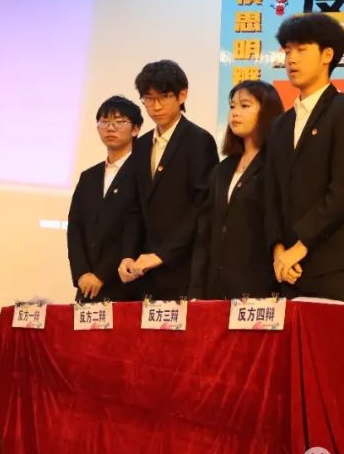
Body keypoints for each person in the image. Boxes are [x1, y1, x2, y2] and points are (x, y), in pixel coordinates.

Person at [263, 13, 344, 305]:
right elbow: (271, 194)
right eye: (287, 51)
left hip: (339, 268)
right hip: (289, 271)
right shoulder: (280, 125)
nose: (291, 59)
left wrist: (300, 246)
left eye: (301, 50)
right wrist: (279, 250)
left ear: (327, 55)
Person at [120, 60, 218, 300]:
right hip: (143, 271)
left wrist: (162, 254)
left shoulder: (199, 141)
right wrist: (127, 255)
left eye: (164, 97)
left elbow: (202, 207)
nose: (156, 106)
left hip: (182, 267)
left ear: (182, 95)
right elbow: (134, 207)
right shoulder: (141, 145)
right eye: (148, 98)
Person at [189, 80, 283, 300]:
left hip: (259, 289)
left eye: (245, 105)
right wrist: (196, 290)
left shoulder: (276, 163)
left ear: (267, 111)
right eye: (232, 106)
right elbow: (205, 233)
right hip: (216, 290)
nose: (235, 113)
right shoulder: (222, 169)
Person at [66, 96, 144, 302]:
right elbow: (75, 228)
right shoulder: (89, 177)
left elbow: (135, 228)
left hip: (125, 284)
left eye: (119, 122)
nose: (110, 127)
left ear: (136, 129)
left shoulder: (143, 173)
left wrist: (101, 274)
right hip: (87, 287)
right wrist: (82, 273)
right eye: (105, 121)